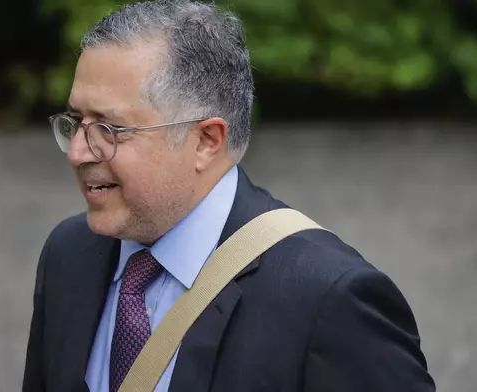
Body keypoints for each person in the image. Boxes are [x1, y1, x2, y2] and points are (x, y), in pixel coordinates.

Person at [22, 1, 436, 391]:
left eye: (108, 130)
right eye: (76, 122)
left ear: (206, 141)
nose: (77, 151)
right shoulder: (68, 255)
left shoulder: (329, 299)